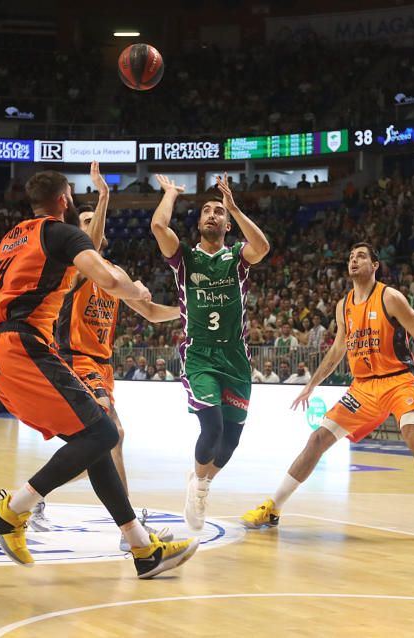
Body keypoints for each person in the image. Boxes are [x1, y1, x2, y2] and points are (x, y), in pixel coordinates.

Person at [0, 169, 197, 578]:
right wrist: (135, 290)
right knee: (104, 433)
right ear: (65, 200)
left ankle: (142, 549)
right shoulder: (63, 238)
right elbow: (106, 276)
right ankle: (11, 510)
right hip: (27, 348)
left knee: (95, 441)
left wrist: (3, 306)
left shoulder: (12, 238)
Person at [242, 244, 414, 541]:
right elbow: (337, 349)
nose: (353, 260)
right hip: (363, 388)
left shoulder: (390, 298)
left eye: (360, 256)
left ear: (375, 266)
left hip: (398, 380)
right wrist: (312, 384)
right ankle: (273, 507)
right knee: (317, 439)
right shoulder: (343, 305)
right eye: (350, 257)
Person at [30, 162, 180, 550]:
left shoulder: (114, 273)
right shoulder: (72, 269)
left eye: (96, 219)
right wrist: (105, 195)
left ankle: (35, 494)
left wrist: (186, 310)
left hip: (102, 365)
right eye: (85, 220)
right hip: (75, 360)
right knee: (113, 434)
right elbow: (90, 247)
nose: (93, 224)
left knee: (98, 446)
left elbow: (148, 310)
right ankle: (129, 528)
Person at [150, 172, 270, 531]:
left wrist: (234, 205)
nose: (213, 215)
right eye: (207, 210)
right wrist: (170, 193)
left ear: (228, 224)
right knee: (212, 426)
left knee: (230, 441)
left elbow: (261, 246)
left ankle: (201, 479)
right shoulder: (185, 258)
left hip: (235, 357)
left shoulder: (237, 258)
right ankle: (199, 489)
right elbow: (158, 226)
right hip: (200, 355)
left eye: (219, 212)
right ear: (199, 222)